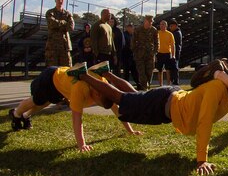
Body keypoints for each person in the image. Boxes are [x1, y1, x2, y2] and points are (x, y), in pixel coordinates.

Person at [74, 60, 228, 175]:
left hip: (168, 101)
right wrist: (202, 159)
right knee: (122, 99)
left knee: (134, 96)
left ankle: (105, 72)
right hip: (163, 103)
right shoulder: (217, 88)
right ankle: (83, 74)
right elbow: (204, 121)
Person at [8, 63, 141, 149]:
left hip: (62, 83)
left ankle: (25, 116)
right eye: (98, 103)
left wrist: (130, 130)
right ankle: (16, 114)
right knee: (37, 101)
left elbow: (116, 109)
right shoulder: (81, 88)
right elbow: (77, 118)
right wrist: (81, 144)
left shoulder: (103, 85)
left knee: (45, 102)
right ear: (97, 94)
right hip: (50, 79)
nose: (96, 104)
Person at [44, 0, 74, 67]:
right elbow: (52, 23)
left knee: (66, 70)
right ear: (55, 0)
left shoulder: (67, 14)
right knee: (52, 71)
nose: (60, 1)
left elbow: (71, 27)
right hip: (52, 47)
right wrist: (64, 23)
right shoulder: (50, 12)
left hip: (65, 46)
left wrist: (58, 25)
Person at [133, 15, 158, 90]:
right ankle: (144, 88)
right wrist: (135, 51)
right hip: (140, 55)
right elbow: (133, 41)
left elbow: (157, 42)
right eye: (150, 21)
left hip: (150, 55)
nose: (151, 23)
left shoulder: (154, 30)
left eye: (152, 21)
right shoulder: (138, 29)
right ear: (145, 21)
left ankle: (147, 85)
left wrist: (155, 52)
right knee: (142, 73)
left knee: (149, 72)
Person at [155, 20, 175, 86]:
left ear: (166, 26)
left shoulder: (170, 34)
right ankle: (160, 85)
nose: (161, 26)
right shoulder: (157, 33)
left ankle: (168, 85)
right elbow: (154, 44)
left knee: (168, 70)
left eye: (163, 24)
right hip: (159, 53)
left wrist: (173, 55)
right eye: (160, 24)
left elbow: (172, 45)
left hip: (167, 53)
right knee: (160, 70)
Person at [168, 19, 183, 85]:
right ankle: (173, 80)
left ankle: (175, 81)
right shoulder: (176, 32)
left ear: (175, 26)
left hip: (175, 52)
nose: (170, 28)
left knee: (175, 67)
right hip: (174, 51)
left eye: (171, 26)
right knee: (173, 67)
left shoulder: (177, 33)